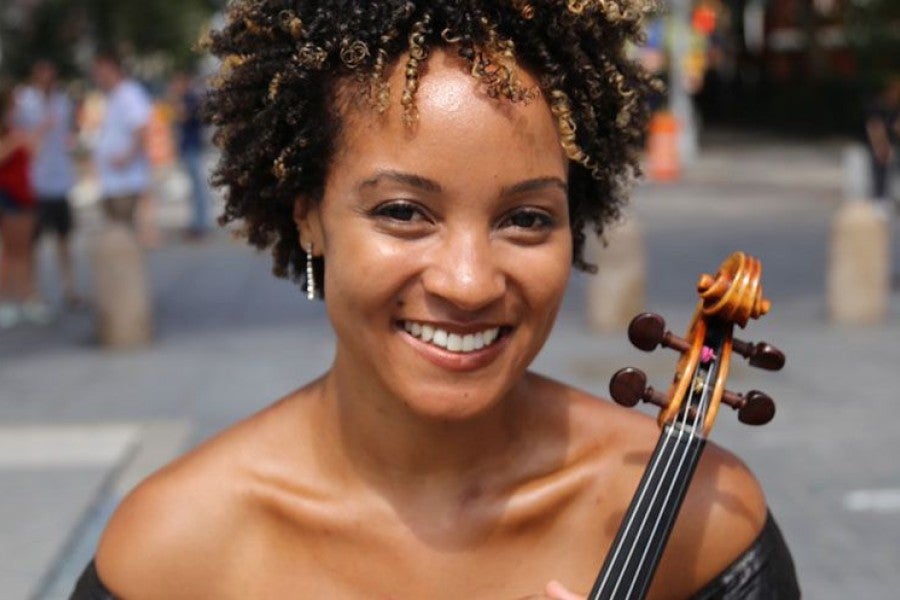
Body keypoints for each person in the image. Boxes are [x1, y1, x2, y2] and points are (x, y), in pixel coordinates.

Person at [72, 2, 799, 599]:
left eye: (526, 218)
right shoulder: (171, 551)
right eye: (402, 212)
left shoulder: (700, 522)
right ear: (309, 217)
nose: (469, 282)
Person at [17, 60, 82, 309]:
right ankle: (32, 291)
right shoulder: (25, 101)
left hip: (60, 178)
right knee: (34, 241)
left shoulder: (61, 100)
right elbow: (19, 138)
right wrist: (42, 128)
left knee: (64, 237)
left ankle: (69, 287)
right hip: (37, 180)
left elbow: (70, 131)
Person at [90, 51, 153, 228]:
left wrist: (126, 157)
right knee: (117, 231)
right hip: (111, 181)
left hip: (126, 181)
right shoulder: (110, 96)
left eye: (100, 71)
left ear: (112, 69)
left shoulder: (129, 94)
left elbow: (141, 129)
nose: (97, 76)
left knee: (123, 234)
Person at [0, 83, 41, 328]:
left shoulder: (17, 130)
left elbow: (34, 152)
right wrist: (14, 142)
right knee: (9, 252)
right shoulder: (10, 134)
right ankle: (6, 300)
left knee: (23, 251)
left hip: (22, 194)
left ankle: (27, 298)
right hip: (9, 195)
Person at [168, 71, 213, 239]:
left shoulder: (191, 98)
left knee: (198, 188)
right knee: (195, 189)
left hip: (193, 147)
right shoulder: (190, 97)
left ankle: (201, 224)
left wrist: (175, 100)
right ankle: (197, 222)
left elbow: (183, 115)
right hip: (189, 147)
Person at [864, 76, 900, 202]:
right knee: (880, 173)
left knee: (891, 173)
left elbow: (896, 125)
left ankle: (887, 198)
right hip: (879, 144)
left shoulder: (894, 107)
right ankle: (879, 200)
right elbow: (874, 127)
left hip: (891, 144)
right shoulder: (878, 106)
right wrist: (880, 147)